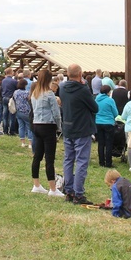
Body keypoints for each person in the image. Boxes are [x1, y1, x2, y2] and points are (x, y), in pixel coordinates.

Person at [60, 63, 98, 205]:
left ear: (68, 74)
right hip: (82, 128)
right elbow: (94, 107)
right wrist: (86, 86)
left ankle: (69, 190)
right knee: (81, 161)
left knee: (68, 159)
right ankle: (78, 193)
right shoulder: (83, 90)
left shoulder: (62, 88)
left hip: (68, 127)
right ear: (80, 74)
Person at [30, 69, 64, 197]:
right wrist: (59, 127)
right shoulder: (49, 94)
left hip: (36, 125)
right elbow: (56, 114)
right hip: (48, 126)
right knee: (49, 159)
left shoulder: (35, 93)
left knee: (37, 156)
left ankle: (36, 184)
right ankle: (53, 189)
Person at [95, 85, 118, 167]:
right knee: (109, 143)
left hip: (98, 122)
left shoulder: (96, 99)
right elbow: (115, 113)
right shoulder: (110, 100)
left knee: (100, 143)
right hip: (108, 123)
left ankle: (101, 162)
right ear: (108, 92)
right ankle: (108, 162)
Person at [13, 79, 33, 148]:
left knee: (21, 127)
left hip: (18, 111)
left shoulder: (15, 92)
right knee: (29, 127)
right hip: (26, 112)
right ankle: (30, 143)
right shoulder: (27, 93)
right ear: (25, 85)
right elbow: (30, 100)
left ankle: (23, 143)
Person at [1, 68, 17, 135]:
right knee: (12, 115)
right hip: (11, 98)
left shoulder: (3, 81)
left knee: (5, 115)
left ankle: (5, 130)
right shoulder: (14, 81)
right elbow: (16, 88)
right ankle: (11, 131)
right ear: (11, 72)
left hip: (4, 98)